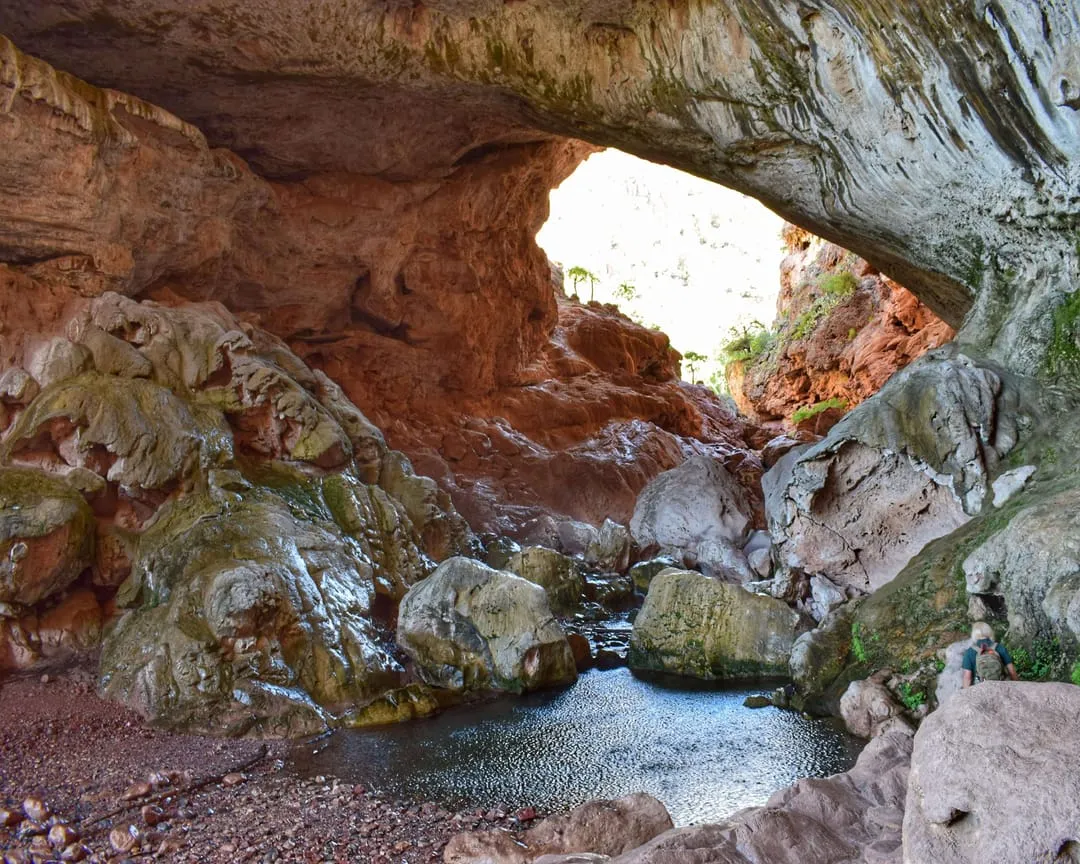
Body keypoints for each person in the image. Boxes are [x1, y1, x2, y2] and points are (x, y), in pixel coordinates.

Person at [961, 621, 1019, 687]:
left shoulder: (969, 652)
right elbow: (1012, 671)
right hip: (1001, 685)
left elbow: (967, 677)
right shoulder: (999, 647)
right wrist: (1017, 687)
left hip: (980, 687)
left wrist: (965, 693)